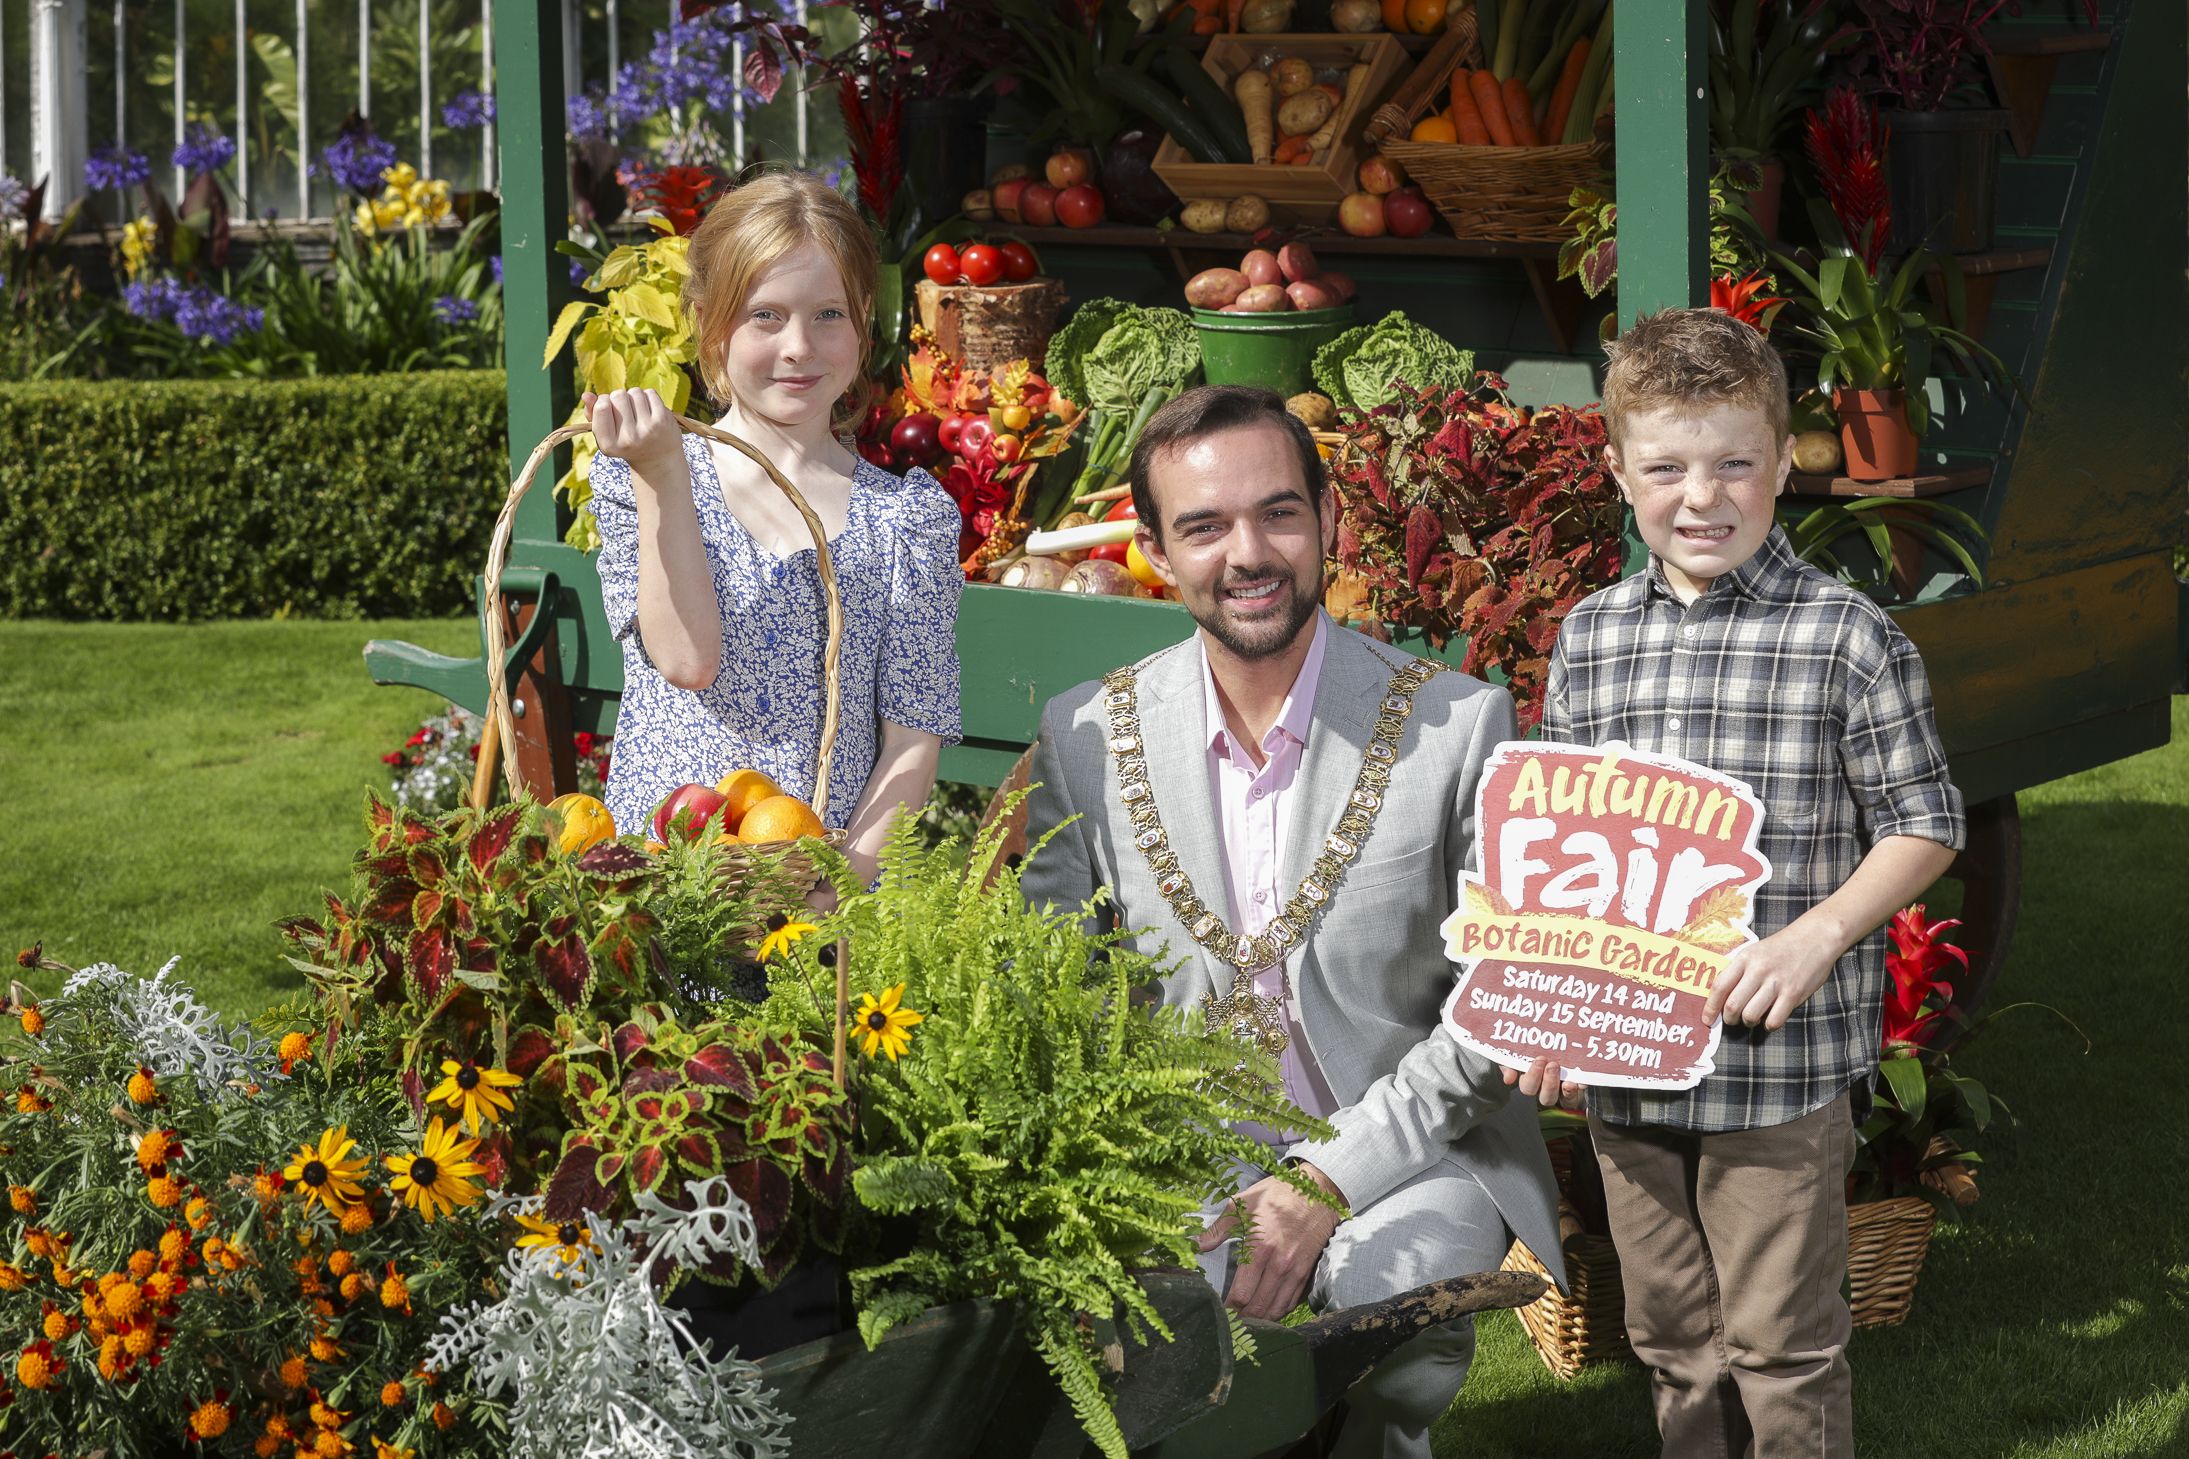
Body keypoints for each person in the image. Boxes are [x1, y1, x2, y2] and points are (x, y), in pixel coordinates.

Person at [1019, 385, 1562, 1459]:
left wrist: (1327, 1180)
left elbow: (1496, 1004)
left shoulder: (1455, 724)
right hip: (1177, 1153)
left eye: (1275, 513)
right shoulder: (1086, 734)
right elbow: (1060, 986)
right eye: (1204, 527)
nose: (1247, 553)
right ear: (1156, 553)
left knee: (1387, 1308)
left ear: (1325, 520)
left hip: (1411, 1148)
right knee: (1156, 1345)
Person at [1519, 308, 1965, 1458]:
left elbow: (1924, 821)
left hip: (1777, 1072)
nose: (1699, 497)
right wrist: (1551, 1005)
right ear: (1618, 472)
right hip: (1629, 1065)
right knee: (1668, 1335)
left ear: (1778, 462)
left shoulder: (1846, 637)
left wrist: (1813, 937)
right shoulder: (1591, 636)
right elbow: (1567, 842)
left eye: (1731, 464)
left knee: (1779, 1343)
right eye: (1664, 467)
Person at [583, 170, 962, 885]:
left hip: (821, 894)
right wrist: (663, 473)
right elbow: (687, 660)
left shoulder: (904, 519)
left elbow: (913, 737)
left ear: (862, 324)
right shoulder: (647, 479)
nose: (798, 346)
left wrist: (836, 894)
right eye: (765, 315)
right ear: (709, 323)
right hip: (661, 895)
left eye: (828, 314)